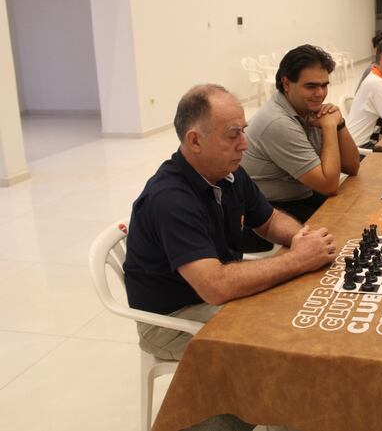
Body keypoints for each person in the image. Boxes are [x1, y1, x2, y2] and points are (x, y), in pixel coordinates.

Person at [124, 84, 336, 365]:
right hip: (171, 321)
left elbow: (269, 220)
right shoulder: (170, 199)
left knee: (301, 309)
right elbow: (216, 287)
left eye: (243, 131)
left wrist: (301, 237)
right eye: (233, 134)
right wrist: (297, 260)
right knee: (284, 339)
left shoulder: (227, 172)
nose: (244, 144)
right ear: (195, 141)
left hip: (210, 295)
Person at [241, 45, 360, 232]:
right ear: (286, 84)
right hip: (268, 212)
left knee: (358, 210)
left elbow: (352, 166)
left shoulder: (306, 108)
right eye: (311, 86)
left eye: (324, 85)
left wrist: (339, 123)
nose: (320, 93)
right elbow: (329, 186)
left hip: (301, 195)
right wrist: (329, 126)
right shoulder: (278, 122)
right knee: (347, 230)